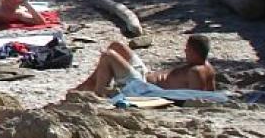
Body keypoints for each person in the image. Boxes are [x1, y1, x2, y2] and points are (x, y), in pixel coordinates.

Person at [72, 35, 217, 96]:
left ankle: (98, 93)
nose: (185, 51)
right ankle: (88, 84)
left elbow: (193, 98)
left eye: (188, 49)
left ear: (195, 51)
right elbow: (212, 94)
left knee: (108, 56)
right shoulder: (208, 67)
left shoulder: (195, 72)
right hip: (144, 75)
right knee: (117, 45)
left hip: (141, 86)